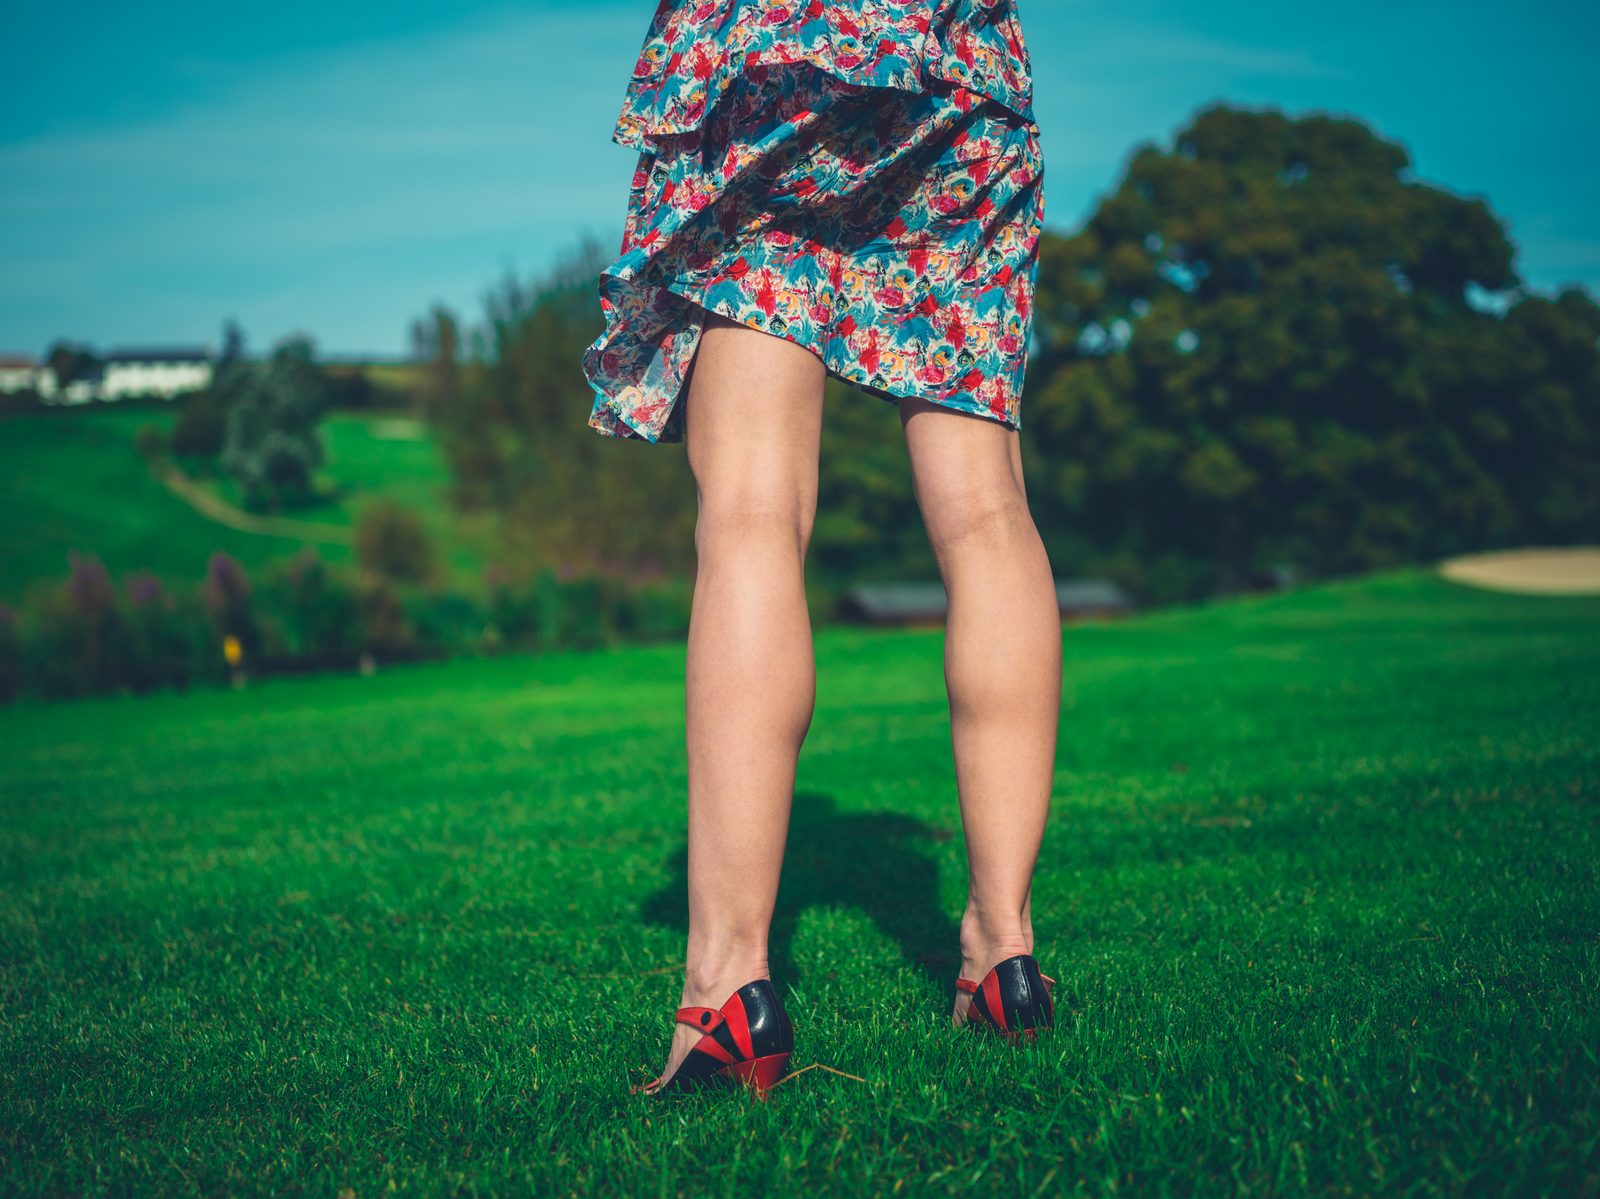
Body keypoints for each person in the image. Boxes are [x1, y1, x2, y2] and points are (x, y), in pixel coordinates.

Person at [581, 0, 1060, 1097]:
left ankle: (727, 988)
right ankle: (1003, 949)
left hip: (773, 48)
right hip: (957, 63)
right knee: (985, 508)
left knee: (752, 508)